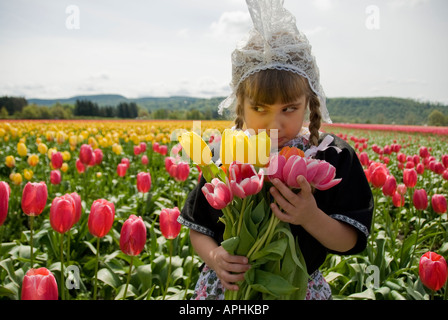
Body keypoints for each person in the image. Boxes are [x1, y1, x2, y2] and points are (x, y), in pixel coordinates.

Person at [178, 0, 373, 300]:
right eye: (259, 108)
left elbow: (350, 240)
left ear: (309, 101)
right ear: (239, 103)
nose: (275, 124)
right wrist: (215, 257)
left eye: (289, 108)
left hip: (297, 288)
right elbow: (198, 227)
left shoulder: (328, 157)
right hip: (230, 288)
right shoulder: (225, 153)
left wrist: (311, 217)